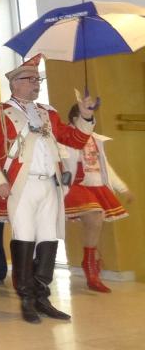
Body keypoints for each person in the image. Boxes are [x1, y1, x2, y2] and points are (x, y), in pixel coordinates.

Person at [0, 53, 96, 324]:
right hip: (21, 185)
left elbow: (73, 139)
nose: (36, 84)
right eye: (31, 79)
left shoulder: (48, 112)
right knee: (24, 236)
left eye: (38, 80)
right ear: (15, 83)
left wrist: (86, 115)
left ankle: (42, 296)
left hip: (50, 184)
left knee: (48, 238)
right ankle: (26, 298)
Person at [62, 103, 133, 293]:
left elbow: (104, 165)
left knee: (95, 222)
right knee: (94, 216)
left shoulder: (95, 139)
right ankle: (90, 266)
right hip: (75, 184)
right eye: (85, 117)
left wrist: (122, 188)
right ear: (75, 119)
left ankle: (90, 262)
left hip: (95, 185)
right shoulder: (64, 137)